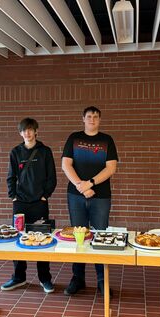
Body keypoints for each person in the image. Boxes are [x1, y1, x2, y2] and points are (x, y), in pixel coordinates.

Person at [61, 106, 118, 295]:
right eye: (89, 116)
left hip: (100, 196)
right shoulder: (74, 138)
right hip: (76, 196)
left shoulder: (106, 140)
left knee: (101, 236)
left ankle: (103, 280)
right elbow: (65, 164)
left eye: (95, 116)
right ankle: (78, 279)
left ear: (99, 120)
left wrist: (90, 183)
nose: (92, 119)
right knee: (78, 237)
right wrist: (80, 185)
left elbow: (111, 168)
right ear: (83, 119)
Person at [2, 118, 57, 293]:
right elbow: (11, 177)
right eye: (24, 130)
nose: (27, 133)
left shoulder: (45, 151)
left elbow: (52, 177)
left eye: (30, 129)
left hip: (39, 203)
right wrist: (13, 197)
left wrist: (44, 196)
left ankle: (45, 279)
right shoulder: (15, 152)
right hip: (20, 204)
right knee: (18, 239)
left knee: (43, 239)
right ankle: (19, 277)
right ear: (20, 133)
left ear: (36, 131)